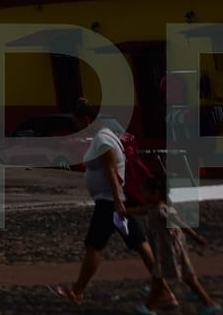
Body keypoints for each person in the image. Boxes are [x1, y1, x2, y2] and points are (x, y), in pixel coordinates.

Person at [51, 98, 174, 308]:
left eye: (77, 121)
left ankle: (77, 291)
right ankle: (164, 291)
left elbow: (112, 173)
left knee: (94, 246)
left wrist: (117, 202)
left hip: (109, 203)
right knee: (140, 245)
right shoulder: (104, 137)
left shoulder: (103, 141)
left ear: (87, 119)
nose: (75, 125)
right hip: (113, 201)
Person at [130, 164, 219, 315]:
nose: (142, 195)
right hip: (166, 247)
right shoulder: (152, 207)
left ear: (156, 193)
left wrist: (196, 237)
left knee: (159, 278)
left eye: (144, 192)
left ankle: (149, 308)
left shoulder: (163, 210)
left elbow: (179, 222)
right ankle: (208, 302)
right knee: (188, 276)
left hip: (169, 248)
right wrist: (123, 211)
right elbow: (140, 210)